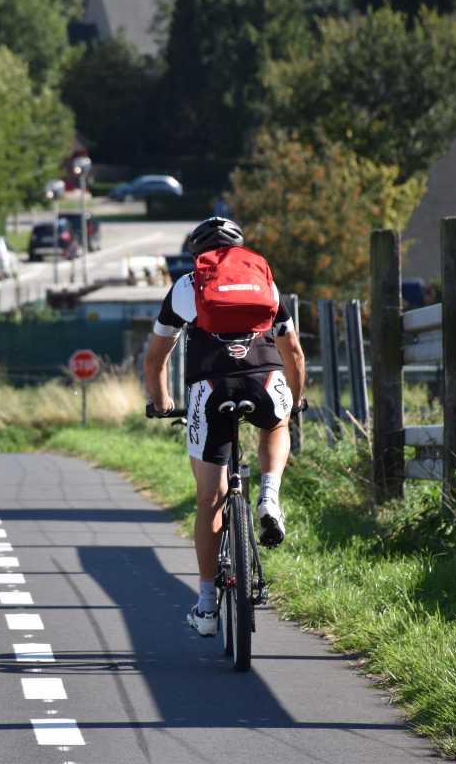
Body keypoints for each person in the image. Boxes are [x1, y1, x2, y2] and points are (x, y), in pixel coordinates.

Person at [142, 217, 306, 637]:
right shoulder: (263, 280)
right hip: (265, 382)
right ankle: (269, 497)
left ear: (200, 252)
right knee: (275, 426)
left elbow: (155, 357)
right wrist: (296, 399)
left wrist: (162, 403)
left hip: (210, 390)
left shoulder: (186, 286)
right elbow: (294, 352)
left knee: (209, 499)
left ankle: (207, 606)